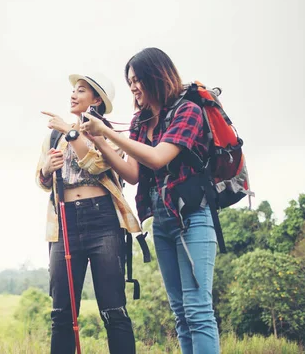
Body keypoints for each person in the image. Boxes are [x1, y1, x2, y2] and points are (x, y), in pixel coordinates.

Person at [80, 48, 221, 354]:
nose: (132, 87)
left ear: (155, 76)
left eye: (137, 79)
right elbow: (133, 174)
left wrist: (105, 131)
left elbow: (158, 158)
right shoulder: (141, 122)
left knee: (197, 310)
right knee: (181, 314)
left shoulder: (188, 111)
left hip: (193, 217)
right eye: (129, 81)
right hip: (162, 220)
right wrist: (99, 141)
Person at [35, 72, 143, 354]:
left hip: (103, 220)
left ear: (97, 99)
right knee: (61, 313)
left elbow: (98, 166)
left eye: (81, 91)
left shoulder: (108, 134)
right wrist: (48, 168)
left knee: (113, 310)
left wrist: (73, 134)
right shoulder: (55, 135)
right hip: (64, 222)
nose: (73, 95)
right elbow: (41, 180)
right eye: (73, 90)